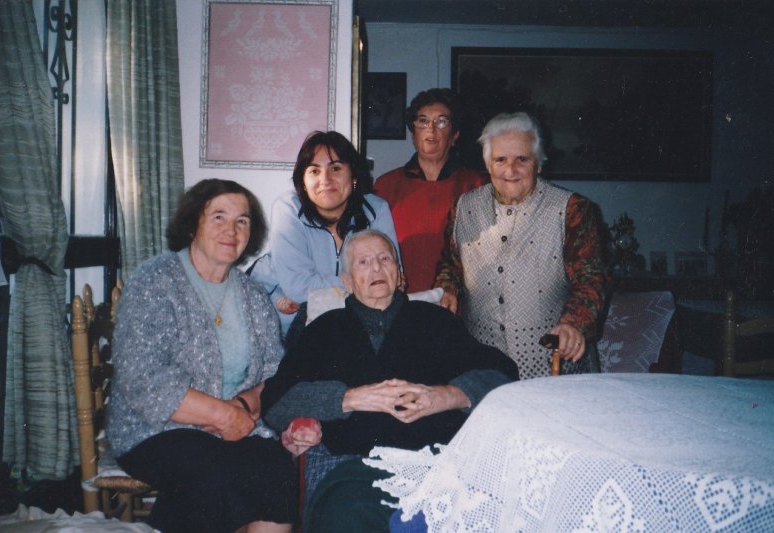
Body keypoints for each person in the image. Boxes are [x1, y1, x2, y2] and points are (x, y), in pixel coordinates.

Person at [261, 229, 518, 532]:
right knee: (347, 517)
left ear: (399, 274)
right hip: (355, 469)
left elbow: (501, 375)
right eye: (363, 262)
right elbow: (276, 402)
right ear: (347, 281)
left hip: (436, 466)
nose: (376, 268)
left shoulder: (436, 320)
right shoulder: (325, 330)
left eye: (385, 259)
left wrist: (447, 395)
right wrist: (348, 398)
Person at [106, 179, 296, 533]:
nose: (231, 230)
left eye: (242, 221)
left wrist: (242, 406)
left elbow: (275, 372)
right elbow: (143, 377)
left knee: (276, 470)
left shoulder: (254, 295)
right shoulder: (154, 281)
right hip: (154, 429)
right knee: (213, 472)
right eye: (218, 216)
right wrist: (223, 415)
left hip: (237, 427)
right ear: (194, 222)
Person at [435, 112, 607, 380]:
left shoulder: (571, 209)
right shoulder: (463, 208)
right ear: (488, 164)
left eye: (522, 159)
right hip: (482, 366)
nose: (510, 170)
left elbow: (590, 279)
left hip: (553, 367)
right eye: (500, 160)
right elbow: (450, 264)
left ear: (538, 164)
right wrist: (447, 287)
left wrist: (573, 324)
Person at [249, 130, 400, 341]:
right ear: (303, 181)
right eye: (314, 171)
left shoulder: (376, 210)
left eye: (335, 168)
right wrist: (360, 283)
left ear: (353, 176)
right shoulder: (288, 208)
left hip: (338, 326)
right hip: (276, 328)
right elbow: (298, 287)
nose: (325, 180)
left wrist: (329, 289)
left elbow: (392, 278)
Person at [374, 88, 487, 292]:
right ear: (413, 134)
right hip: (400, 299)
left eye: (441, 122)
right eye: (423, 121)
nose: (431, 129)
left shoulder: (475, 185)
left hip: (456, 299)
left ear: (454, 135)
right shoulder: (385, 186)